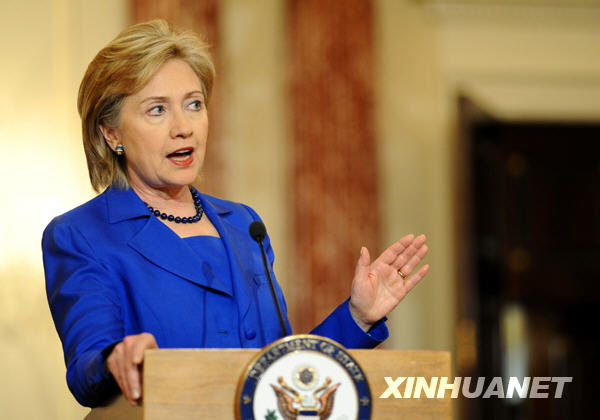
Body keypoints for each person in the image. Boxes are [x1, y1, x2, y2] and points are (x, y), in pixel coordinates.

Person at [42, 19, 429, 408]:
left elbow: (279, 377)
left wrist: (358, 317)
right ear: (111, 133)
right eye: (157, 110)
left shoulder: (245, 225)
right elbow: (86, 368)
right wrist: (117, 360)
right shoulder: (81, 234)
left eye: (194, 104)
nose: (184, 127)